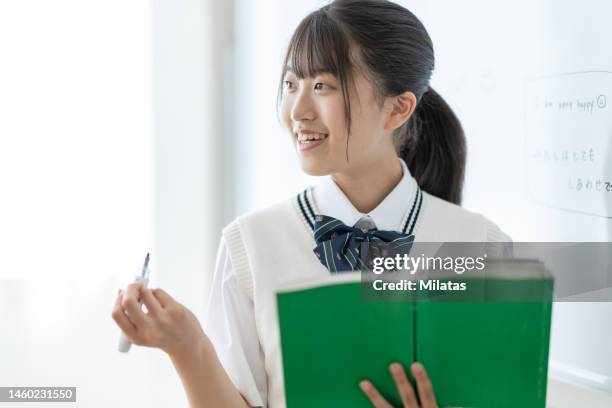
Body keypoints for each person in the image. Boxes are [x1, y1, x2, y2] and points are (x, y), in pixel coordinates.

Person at [111, 1, 512, 407]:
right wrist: (188, 346)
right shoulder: (249, 246)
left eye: (323, 86)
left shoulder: (484, 245)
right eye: (291, 85)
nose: (297, 112)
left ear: (398, 108)